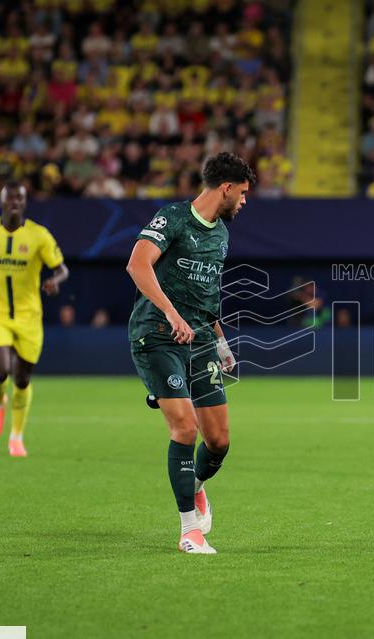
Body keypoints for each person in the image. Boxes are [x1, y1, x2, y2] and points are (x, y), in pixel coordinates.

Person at [125, 152, 254, 555]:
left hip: (200, 340)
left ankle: (195, 484)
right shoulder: (174, 218)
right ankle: (189, 531)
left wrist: (221, 341)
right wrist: (170, 312)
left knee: (219, 441)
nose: (244, 201)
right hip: (157, 334)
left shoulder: (221, 234)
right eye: (243, 193)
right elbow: (137, 265)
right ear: (226, 188)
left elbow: (207, 296)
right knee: (185, 428)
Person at [0, 181, 69, 457]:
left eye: (19, 198)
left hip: (29, 316)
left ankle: (16, 437)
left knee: (21, 379)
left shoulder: (39, 235)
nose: (15, 202)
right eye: (10, 198)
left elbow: (62, 269)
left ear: (25, 202)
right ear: (1, 202)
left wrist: (55, 281)